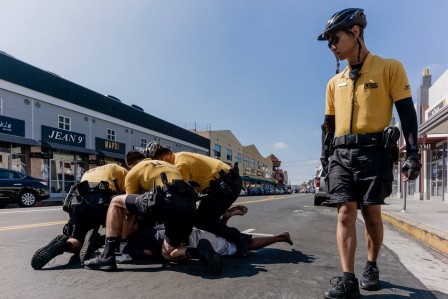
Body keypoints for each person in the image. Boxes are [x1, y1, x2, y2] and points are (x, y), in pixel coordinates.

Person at [317, 8, 421, 299]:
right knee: (345, 213)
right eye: (329, 42)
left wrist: (413, 153)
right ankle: (348, 278)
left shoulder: (390, 68)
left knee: (372, 214)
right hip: (341, 155)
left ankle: (371, 266)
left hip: (374, 152)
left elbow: (407, 114)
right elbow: (328, 125)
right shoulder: (333, 83)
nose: (332, 46)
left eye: (335, 38)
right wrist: (325, 159)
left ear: (355, 32)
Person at [83, 157, 223, 275]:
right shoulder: (170, 166)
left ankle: (106, 256)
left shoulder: (134, 171)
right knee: (167, 252)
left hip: (167, 197)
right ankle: (199, 252)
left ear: (132, 164)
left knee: (116, 202)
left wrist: (123, 240)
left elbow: (129, 212)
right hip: (189, 203)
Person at [145, 143, 252, 257]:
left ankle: (240, 239)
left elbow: (183, 195)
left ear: (164, 158)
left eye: (159, 163)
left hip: (224, 186)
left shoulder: (180, 165)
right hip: (226, 184)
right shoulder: (180, 156)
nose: (161, 166)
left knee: (201, 220)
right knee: (210, 221)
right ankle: (231, 234)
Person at [31, 162, 128, 270]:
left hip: (79, 202)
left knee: (77, 238)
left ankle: (65, 245)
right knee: (122, 222)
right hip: (102, 200)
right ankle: (98, 242)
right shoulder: (121, 170)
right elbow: (127, 195)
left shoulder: (89, 171)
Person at [120, 205, 293, 262]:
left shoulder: (135, 241)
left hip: (184, 240)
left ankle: (280, 236)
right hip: (191, 232)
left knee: (245, 244)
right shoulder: (146, 230)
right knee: (230, 239)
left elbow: (149, 253)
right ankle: (280, 236)